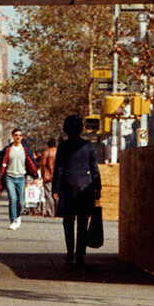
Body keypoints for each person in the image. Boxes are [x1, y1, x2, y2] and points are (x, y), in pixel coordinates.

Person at [51, 113, 101, 265]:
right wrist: (98, 187)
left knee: (68, 221)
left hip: (67, 188)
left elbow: (58, 169)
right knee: (82, 221)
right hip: (85, 187)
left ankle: (70, 251)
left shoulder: (63, 147)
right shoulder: (88, 146)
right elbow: (94, 169)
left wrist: (55, 188)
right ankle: (80, 253)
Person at [0, 127, 38, 230]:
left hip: (21, 177)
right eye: (16, 135)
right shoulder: (8, 149)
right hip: (9, 177)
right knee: (12, 198)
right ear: (12, 137)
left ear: (22, 137)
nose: (18, 137)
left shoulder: (25, 150)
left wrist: (35, 177)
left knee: (20, 201)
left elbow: (31, 163)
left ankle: (18, 216)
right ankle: (13, 220)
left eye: (20, 135)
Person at [39, 137, 57, 217]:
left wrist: (43, 175)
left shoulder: (46, 153)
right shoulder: (59, 152)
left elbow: (43, 165)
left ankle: (50, 211)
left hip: (48, 176)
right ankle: (58, 211)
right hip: (58, 176)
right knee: (57, 194)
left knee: (49, 194)